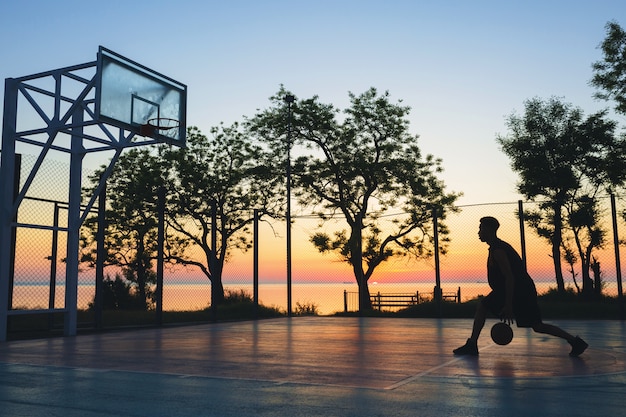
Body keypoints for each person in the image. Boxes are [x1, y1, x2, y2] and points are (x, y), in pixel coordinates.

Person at [453, 216, 588, 357]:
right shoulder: (496, 247)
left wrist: (509, 304)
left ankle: (575, 341)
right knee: (485, 306)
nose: (478, 232)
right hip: (508, 290)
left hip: (520, 292)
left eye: (481, 228)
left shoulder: (499, 250)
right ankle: (472, 344)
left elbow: (510, 277)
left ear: (489, 230)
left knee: (537, 326)